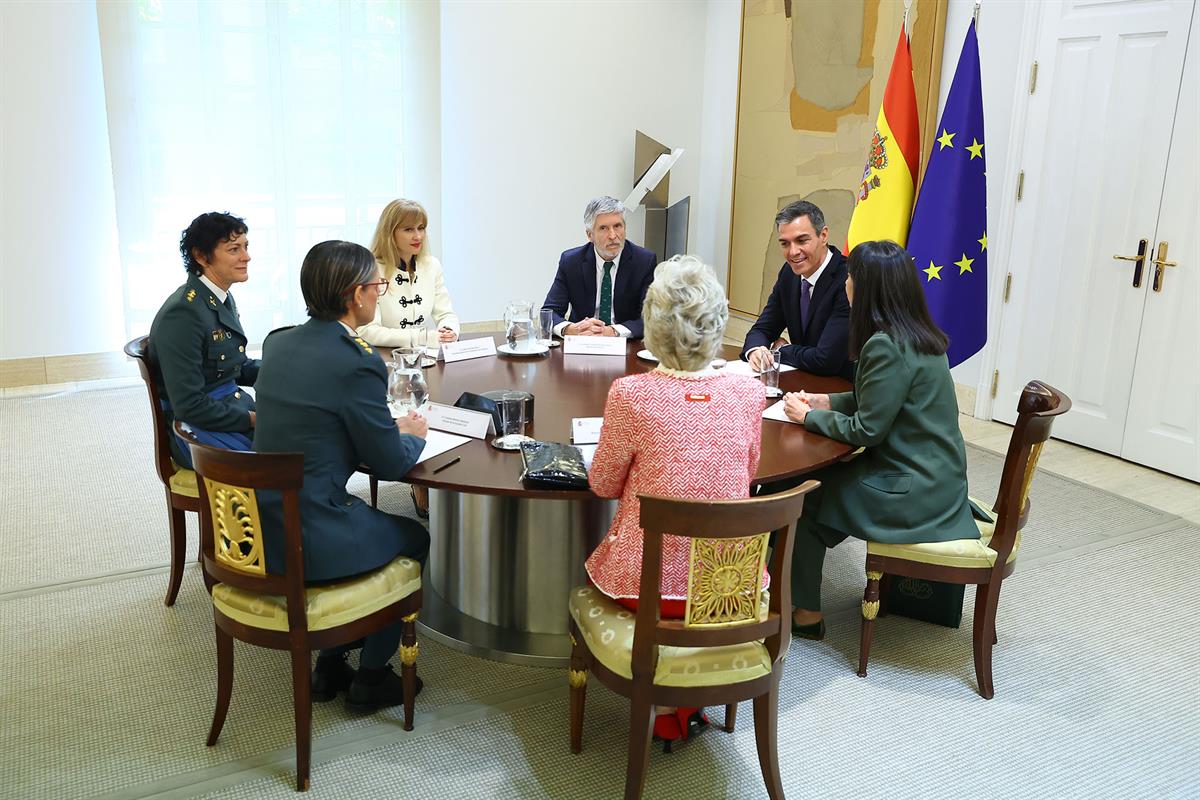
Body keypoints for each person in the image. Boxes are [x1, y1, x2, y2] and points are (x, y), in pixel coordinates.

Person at [586, 255, 764, 744]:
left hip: (642, 588)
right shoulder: (748, 394)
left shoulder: (632, 395)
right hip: (727, 584)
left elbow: (602, 485)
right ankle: (685, 703)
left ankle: (669, 703)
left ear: (654, 325)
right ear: (717, 322)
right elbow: (745, 476)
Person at [253, 240, 431, 713]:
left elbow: (320, 424)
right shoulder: (357, 361)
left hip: (260, 528)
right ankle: (372, 677)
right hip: (312, 531)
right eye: (378, 285)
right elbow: (394, 465)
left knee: (369, 522)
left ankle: (329, 665)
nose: (381, 292)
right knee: (413, 539)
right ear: (356, 296)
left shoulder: (278, 342)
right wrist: (411, 434)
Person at [781, 240, 982, 639]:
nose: (846, 283)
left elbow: (868, 431)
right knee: (819, 486)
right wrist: (827, 400)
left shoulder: (884, 346)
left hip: (911, 488)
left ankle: (803, 613)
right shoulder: (919, 335)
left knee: (803, 496)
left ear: (868, 287)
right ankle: (792, 590)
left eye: (852, 276)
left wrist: (811, 417)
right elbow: (882, 398)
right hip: (938, 477)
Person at [149, 212, 260, 469]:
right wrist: (254, 420)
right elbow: (190, 406)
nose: (246, 256)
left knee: (302, 439)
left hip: (228, 409)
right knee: (282, 467)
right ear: (201, 256)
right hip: (196, 430)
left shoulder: (220, 297)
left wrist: (287, 371)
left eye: (246, 246)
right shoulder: (183, 313)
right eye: (234, 249)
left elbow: (237, 366)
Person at [741, 200, 854, 380]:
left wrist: (781, 351)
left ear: (823, 235)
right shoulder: (789, 273)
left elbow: (826, 360)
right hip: (802, 380)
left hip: (840, 389)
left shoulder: (848, 279)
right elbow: (762, 329)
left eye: (802, 241)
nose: (793, 252)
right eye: (785, 244)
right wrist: (756, 350)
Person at [542, 195, 656, 338]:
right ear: (590, 235)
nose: (613, 235)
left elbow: (651, 318)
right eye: (603, 228)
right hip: (581, 342)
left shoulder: (644, 261)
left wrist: (613, 331)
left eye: (617, 226)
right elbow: (549, 312)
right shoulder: (571, 262)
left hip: (625, 345)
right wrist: (571, 329)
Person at [357, 198, 460, 348]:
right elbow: (367, 331)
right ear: (389, 233)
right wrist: (421, 337)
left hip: (423, 357)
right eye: (409, 229)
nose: (418, 236)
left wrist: (449, 331)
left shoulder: (432, 265)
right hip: (384, 358)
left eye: (421, 228)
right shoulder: (371, 269)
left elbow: (446, 314)